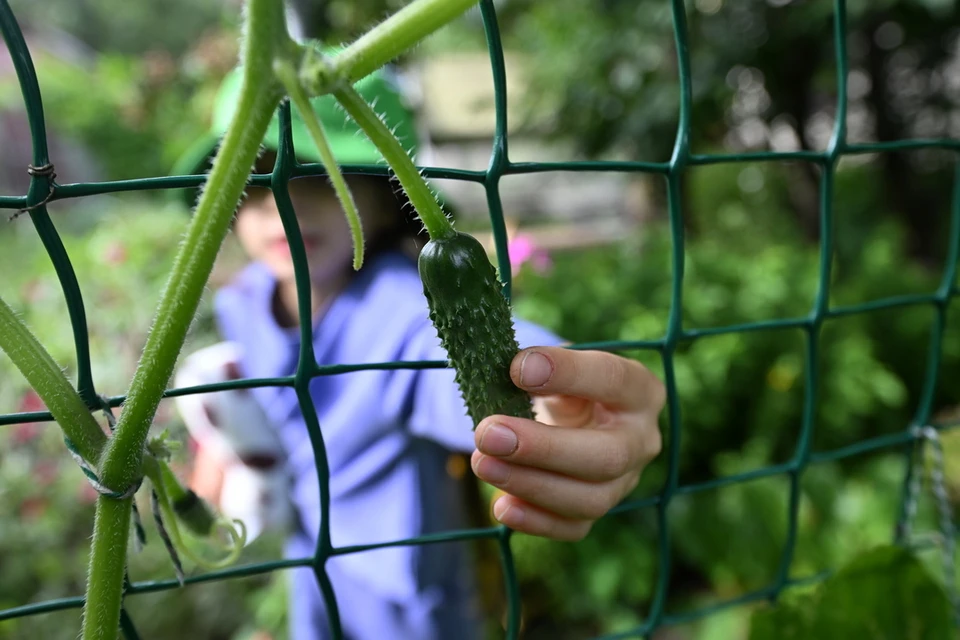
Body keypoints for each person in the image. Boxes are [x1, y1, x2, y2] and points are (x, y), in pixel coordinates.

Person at [170, 60, 665, 640]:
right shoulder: (246, 299)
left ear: (387, 198)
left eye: (322, 177)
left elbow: (449, 356)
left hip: (407, 589)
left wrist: (570, 401)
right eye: (256, 183)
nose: (286, 205)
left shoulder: (399, 310)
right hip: (310, 560)